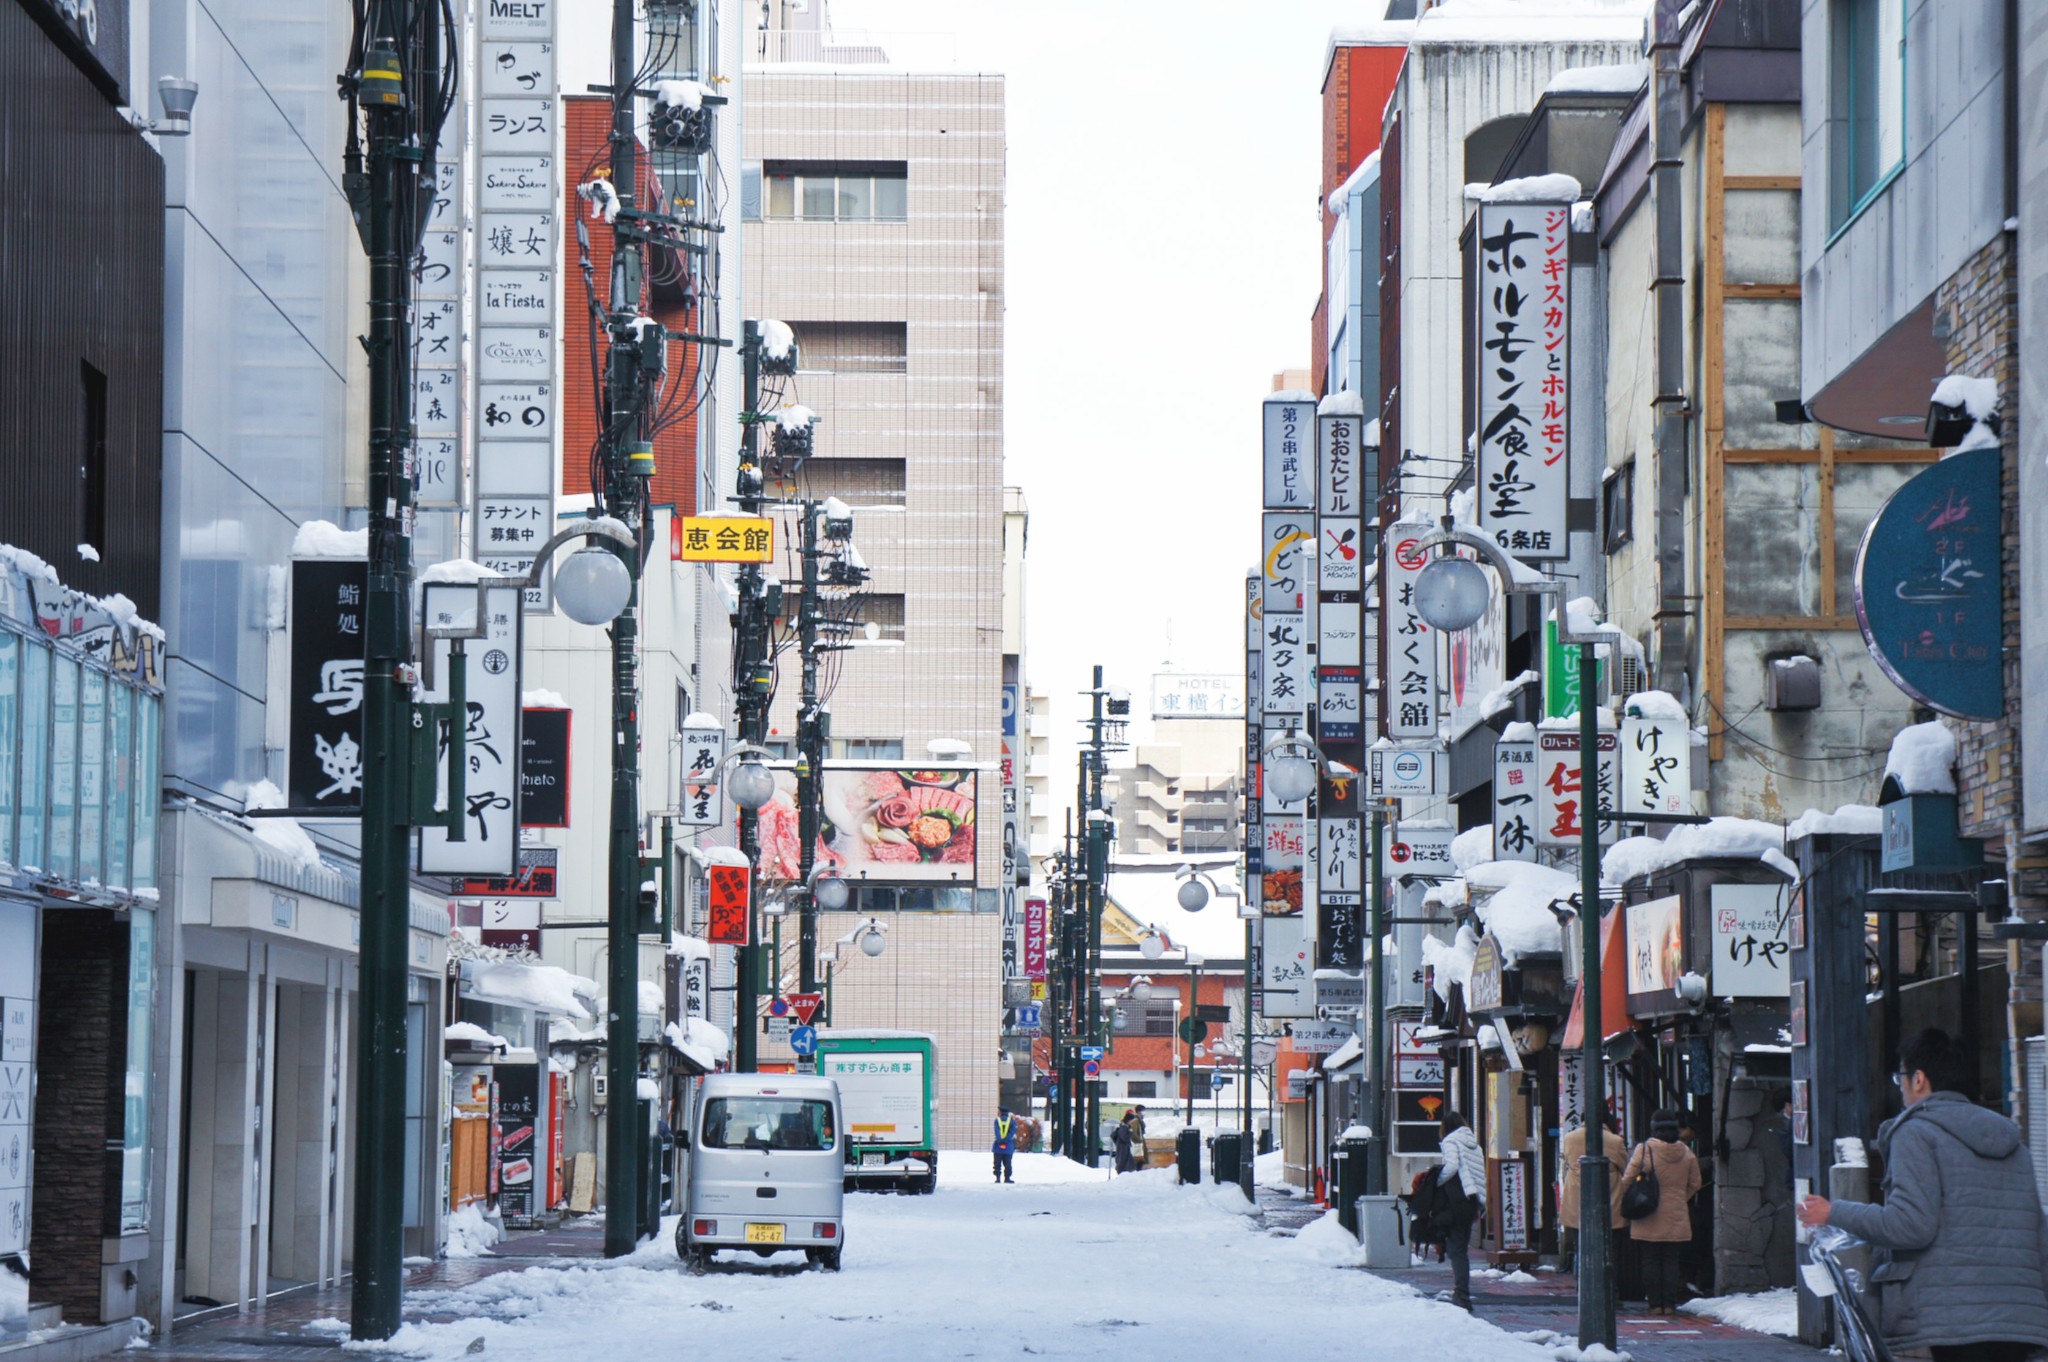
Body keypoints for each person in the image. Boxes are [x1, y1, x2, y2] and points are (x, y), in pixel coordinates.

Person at [1798, 1028, 2048, 1362]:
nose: (1899, 1086)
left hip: (1954, 1318)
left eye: (1900, 1076)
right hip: (2020, 1318)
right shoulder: (2012, 1143)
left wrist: (1834, 1212)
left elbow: (1910, 1225)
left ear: (1918, 1079)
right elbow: (2039, 1235)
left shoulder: (1916, 1133)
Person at [1621, 1108, 1702, 1316]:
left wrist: (1631, 1195)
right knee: (1671, 1260)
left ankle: (1655, 1304)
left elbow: (1628, 1179)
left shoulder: (1645, 1149)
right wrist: (1679, 1198)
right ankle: (1669, 1304)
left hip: (1649, 1211)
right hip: (1676, 1213)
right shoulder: (1686, 1152)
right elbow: (1696, 1183)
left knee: (1650, 1259)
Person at [1559, 1110, 1626, 1276]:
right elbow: (1625, 1166)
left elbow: (1566, 1163)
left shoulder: (1569, 1138)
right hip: (1609, 1199)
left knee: (1582, 1246)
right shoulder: (1615, 1141)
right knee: (1610, 1250)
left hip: (1577, 1200)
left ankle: (1583, 1286)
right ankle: (1610, 1289)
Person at [1436, 1112, 1486, 1312]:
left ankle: (1462, 1295)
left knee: (1456, 1250)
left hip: (1457, 1201)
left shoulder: (1450, 1142)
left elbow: (1451, 1166)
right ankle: (1462, 1293)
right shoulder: (1475, 1145)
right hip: (1472, 1202)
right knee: (1461, 1248)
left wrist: (1437, 1181)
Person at [991, 1107, 1017, 1184]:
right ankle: (1007, 1178)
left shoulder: (997, 1120)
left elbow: (997, 1131)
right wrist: (1006, 1140)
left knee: (997, 1163)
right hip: (1008, 1146)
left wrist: (1000, 1141)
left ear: (1000, 1112)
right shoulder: (1012, 1121)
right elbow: (1012, 1133)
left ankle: (998, 1178)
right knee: (1008, 1163)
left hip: (998, 1146)